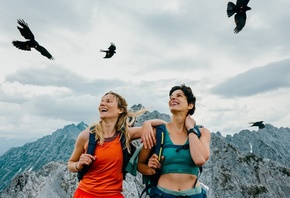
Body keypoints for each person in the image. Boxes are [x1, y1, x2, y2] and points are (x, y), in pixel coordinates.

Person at [68, 91, 165, 198]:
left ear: (120, 110)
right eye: (102, 101)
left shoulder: (126, 135)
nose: (102, 104)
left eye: (108, 101)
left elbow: (162, 127)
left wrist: (148, 123)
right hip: (84, 194)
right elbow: (71, 164)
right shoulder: (86, 136)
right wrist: (78, 165)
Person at [138, 84, 211, 198]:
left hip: (194, 195)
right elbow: (140, 164)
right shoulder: (158, 133)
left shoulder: (202, 133)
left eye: (179, 95)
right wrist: (150, 168)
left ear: (190, 105)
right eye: (171, 96)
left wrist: (191, 129)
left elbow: (200, 159)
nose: (173, 98)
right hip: (162, 194)